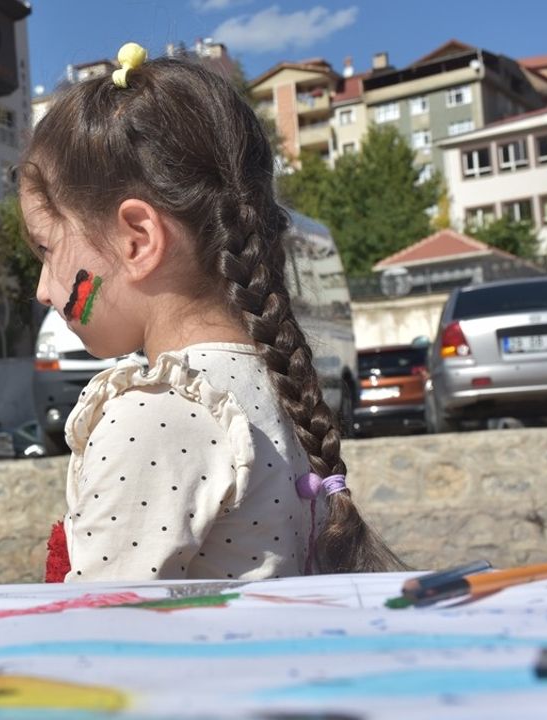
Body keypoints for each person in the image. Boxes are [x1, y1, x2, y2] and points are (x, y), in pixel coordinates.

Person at [24, 44, 405, 582]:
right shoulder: (272, 387)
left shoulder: (157, 415)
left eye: (46, 250)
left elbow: (96, 624)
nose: (43, 289)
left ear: (137, 240)